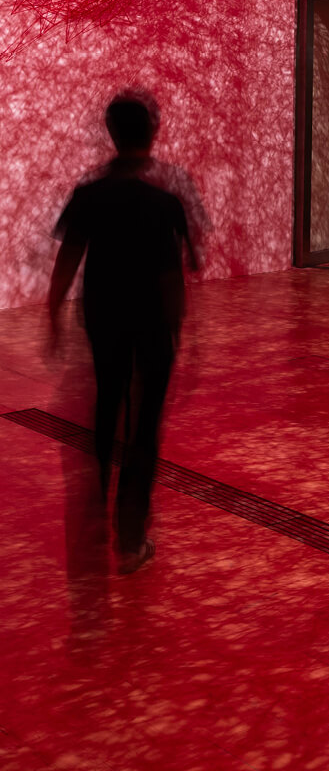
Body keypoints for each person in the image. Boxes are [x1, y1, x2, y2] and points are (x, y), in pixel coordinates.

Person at [48, 91, 204, 574]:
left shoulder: (89, 195)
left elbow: (69, 258)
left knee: (106, 409)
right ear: (152, 132)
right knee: (143, 429)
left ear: (111, 132)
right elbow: (174, 274)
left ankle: (94, 511)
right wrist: (184, 335)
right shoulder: (165, 201)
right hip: (154, 324)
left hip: (104, 319)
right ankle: (132, 538)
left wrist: (52, 315)